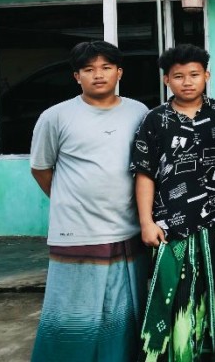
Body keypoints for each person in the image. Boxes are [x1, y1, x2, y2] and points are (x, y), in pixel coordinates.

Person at [29, 41, 150, 362]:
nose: (98, 75)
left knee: (123, 312)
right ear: (76, 76)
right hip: (76, 233)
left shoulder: (139, 112)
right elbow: (41, 168)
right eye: (88, 69)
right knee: (71, 314)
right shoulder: (55, 117)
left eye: (106, 67)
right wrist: (69, 201)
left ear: (119, 72)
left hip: (127, 231)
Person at [132, 44, 215, 360]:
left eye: (194, 75)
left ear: (206, 76)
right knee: (170, 295)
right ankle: (170, 354)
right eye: (178, 76)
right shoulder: (155, 119)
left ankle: (209, 353)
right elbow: (144, 173)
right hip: (169, 226)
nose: (187, 82)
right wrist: (146, 222)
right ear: (167, 81)